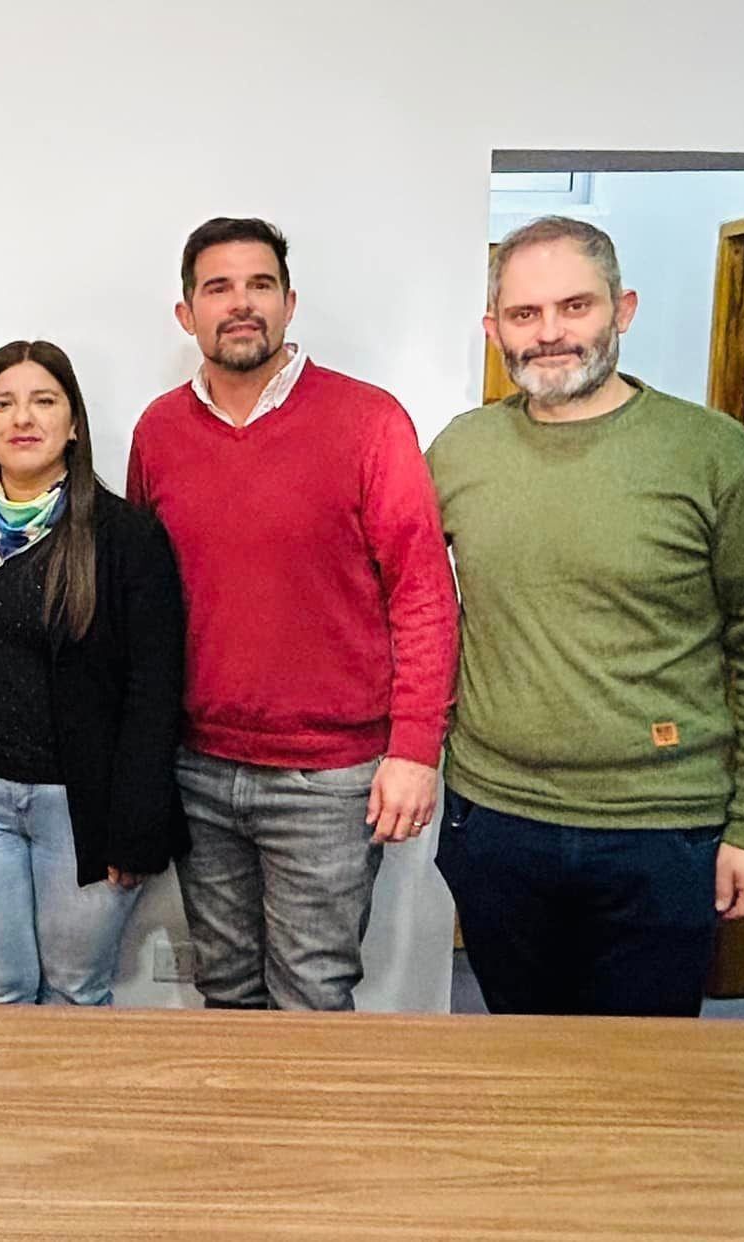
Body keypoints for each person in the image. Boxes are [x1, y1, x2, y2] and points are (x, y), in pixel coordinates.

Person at [427, 216, 744, 1016]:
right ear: (493, 327)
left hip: (663, 831)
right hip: (496, 822)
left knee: (647, 1074)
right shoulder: (458, 453)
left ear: (624, 309)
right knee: (521, 1054)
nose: (550, 335)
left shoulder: (715, 456)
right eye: (525, 315)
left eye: (575, 307)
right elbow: (408, 607)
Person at [126, 217, 459, 1011]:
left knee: (312, 995)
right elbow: (142, 605)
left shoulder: (369, 421)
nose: (241, 304)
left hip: (330, 780)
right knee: (228, 992)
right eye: (218, 288)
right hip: (199, 767)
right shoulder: (158, 431)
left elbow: (422, 591)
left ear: (289, 301)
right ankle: (241, 1142)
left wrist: (415, 748)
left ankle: (313, 1142)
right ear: (186, 314)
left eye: (260, 285)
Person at [0, 340, 187, 1006]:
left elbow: (155, 691)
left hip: (84, 809)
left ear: (73, 424)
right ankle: (0, 1117)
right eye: (3, 403)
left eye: (44, 401)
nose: (22, 418)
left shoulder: (126, 535)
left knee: (74, 989)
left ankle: (67, 1116)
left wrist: (133, 822)